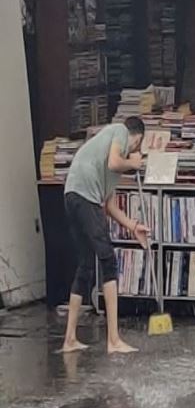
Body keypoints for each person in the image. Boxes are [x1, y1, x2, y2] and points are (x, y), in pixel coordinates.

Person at [61, 117, 149, 354]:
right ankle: (114, 340)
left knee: (85, 265)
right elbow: (114, 162)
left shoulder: (111, 168)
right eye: (137, 146)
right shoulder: (120, 131)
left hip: (72, 195)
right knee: (108, 260)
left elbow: (109, 206)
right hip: (83, 194)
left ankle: (69, 338)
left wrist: (133, 225)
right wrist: (133, 162)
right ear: (137, 138)